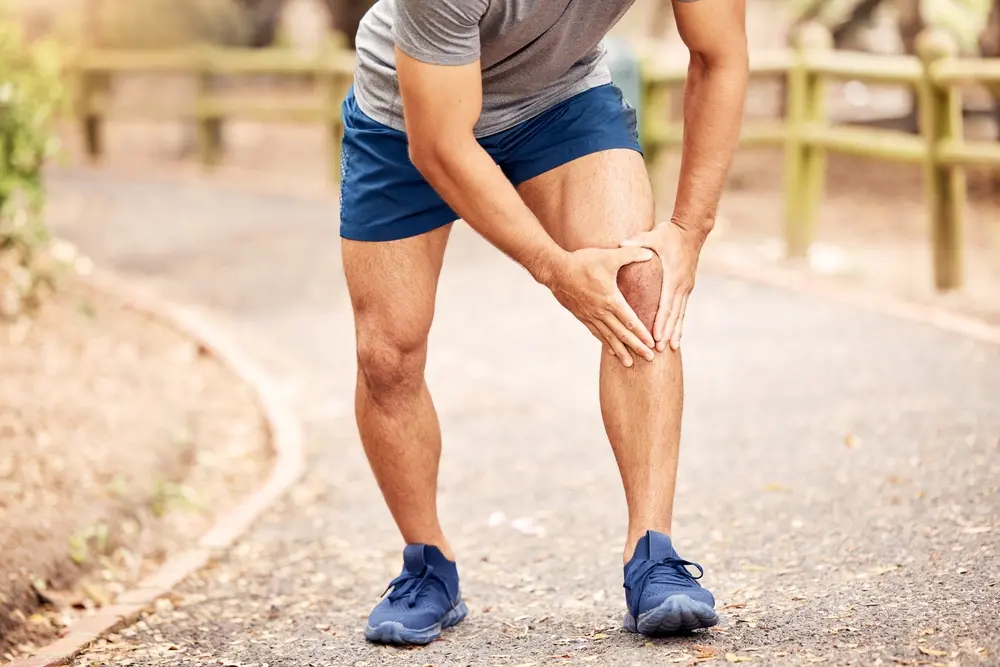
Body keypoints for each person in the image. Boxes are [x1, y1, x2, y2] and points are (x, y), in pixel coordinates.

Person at [339, 0, 748, 646]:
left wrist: (689, 232)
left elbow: (719, 52)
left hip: (557, 99)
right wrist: (553, 267)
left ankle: (653, 554)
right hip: (408, 116)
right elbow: (442, 144)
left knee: (638, 283)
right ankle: (427, 563)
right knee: (387, 353)